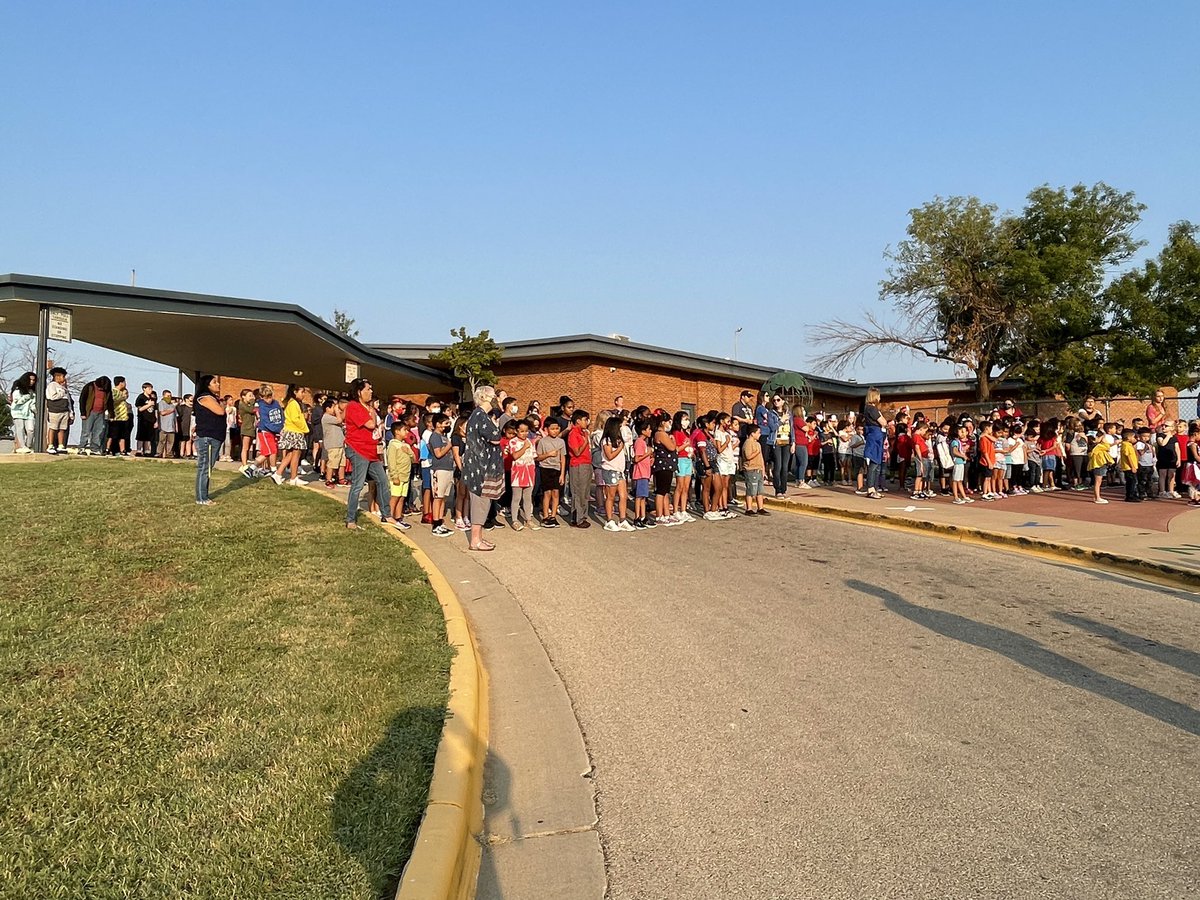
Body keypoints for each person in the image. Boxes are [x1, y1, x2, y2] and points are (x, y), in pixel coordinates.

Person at [343, 379, 402, 531]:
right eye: (368, 389)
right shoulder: (354, 406)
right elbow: (370, 424)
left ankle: (386, 514)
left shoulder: (369, 407)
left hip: (372, 451)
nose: (371, 392)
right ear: (359, 392)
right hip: (358, 449)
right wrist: (371, 411)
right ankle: (350, 519)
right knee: (357, 485)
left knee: (383, 481)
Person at [461, 385, 505, 550]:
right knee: (480, 503)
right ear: (484, 397)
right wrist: (495, 425)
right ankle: (475, 541)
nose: (496, 399)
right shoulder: (480, 415)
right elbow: (495, 437)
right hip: (481, 468)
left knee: (484, 503)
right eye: (494, 396)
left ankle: (479, 538)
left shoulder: (480, 415)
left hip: (483, 466)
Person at [192, 375, 227, 506]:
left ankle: (203, 495)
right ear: (207, 385)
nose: (218, 384)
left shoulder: (213, 398)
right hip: (208, 437)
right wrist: (222, 404)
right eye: (214, 382)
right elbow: (220, 411)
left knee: (207, 468)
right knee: (204, 468)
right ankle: (202, 498)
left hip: (214, 437)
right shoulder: (205, 397)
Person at [271, 384, 309, 485]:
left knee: (291, 454)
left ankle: (281, 474)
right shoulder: (293, 403)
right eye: (302, 392)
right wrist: (305, 428)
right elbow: (295, 419)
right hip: (294, 431)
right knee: (295, 455)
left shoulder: (291, 402)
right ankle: (292, 477)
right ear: (295, 392)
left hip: (292, 430)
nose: (303, 394)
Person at [599, 416, 632, 531]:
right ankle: (609, 520)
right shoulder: (606, 440)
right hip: (610, 470)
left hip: (620, 471)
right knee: (611, 496)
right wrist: (619, 448)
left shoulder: (619, 439)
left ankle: (622, 520)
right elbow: (609, 456)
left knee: (623, 496)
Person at [242, 385, 283, 477]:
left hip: (274, 431)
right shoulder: (261, 406)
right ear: (261, 397)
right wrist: (276, 429)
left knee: (267, 452)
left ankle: (251, 469)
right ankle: (273, 470)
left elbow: (281, 415)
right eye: (266, 397)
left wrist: (281, 426)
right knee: (272, 450)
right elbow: (265, 421)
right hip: (265, 431)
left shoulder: (276, 403)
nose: (269, 399)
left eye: (270, 396)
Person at [535, 417, 566, 529]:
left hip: (557, 469)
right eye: (552, 429)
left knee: (556, 493)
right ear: (547, 429)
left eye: (557, 429)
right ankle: (545, 516)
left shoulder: (561, 442)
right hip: (545, 469)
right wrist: (548, 454)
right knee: (547, 493)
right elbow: (538, 457)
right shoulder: (542, 442)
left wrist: (562, 474)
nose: (555, 431)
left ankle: (553, 516)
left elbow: (563, 458)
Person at [506, 419, 537, 531]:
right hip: (518, 473)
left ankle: (528, 519)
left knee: (528, 498)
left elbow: (534, 456)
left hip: (529, 472)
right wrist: (524, 447)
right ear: (516, 431)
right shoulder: (513, 442)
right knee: (516, 498)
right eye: (522, 431)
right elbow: (515, 456)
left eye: (526, 431)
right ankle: (515, 520)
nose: (524, 433)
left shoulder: (530, 441)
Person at [427, 413, 455, 536]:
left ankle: (440, 520)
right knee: (438, 497)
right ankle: (436, 524)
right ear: (438, 424)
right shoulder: (435, 437)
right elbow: (438, 454)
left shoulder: (443, 436)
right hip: (439, 469)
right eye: (446, 423)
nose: (448, 425)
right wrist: (449, 446)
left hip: (448, 468)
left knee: (443, 497)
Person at [565, 409, 593, 528]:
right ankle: (578, 518)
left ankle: (582, 516)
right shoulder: (573, 434)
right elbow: (576, 452)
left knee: (585, 492)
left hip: (586, 463)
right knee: (578, 492)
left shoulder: (583, 433)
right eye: (585, 420)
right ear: (578, 421)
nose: (587, 422)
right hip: (578, 465)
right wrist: (585, 442)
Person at [385, 421, 415, 530]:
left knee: (402, 498)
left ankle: (398, 518)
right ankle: (389, 516)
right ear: (397, 432)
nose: (407, 432)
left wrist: (409, 452)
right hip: (397, 476)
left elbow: (414, 459)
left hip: (405, 476)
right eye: (404, 430)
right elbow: (391, 462)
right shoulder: (393, 445)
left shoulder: (406, 445)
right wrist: (394, 476)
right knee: (395, 497)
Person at [861, 387, 887, 500]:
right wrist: (882, 419)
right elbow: (883, 422)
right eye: (878, 396)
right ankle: (871, 488)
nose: (880, 398)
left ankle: (874, 488)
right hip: (875, 435)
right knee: (874, 463)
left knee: (877, 464)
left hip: (876, 435)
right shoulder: (871, 409)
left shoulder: (869, 408)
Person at [76, 375, 114, 456]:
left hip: (101, 413)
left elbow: (110, 402)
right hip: (89, 412)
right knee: (86, 431)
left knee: (98, 432)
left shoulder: (107, 390)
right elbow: (82, 399)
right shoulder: (89, 386)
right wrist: (83, 413)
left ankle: (95, 449)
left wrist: (112, 415)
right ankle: (82, 447)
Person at [630, 417, 655, 529]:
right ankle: (637, 518)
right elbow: (636, 458)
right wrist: (647, 454)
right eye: (648, 429)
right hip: (640, 473)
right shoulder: (639, 442)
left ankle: (643, 516)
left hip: (645, 473)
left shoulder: (644, 442)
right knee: (639, 497)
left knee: (644, 497)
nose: (650, 431)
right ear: (643, 430)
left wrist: (650, 459)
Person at [44, 367, 73, 455]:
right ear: (57, 376)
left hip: (64, 411)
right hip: (55, 411)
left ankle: (61, 445)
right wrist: (62, 393)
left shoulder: (64, 388)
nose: (64, 378)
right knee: (53, 428)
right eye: (62, 376)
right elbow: (52, 397)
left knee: (62, 428)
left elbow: (68, 401)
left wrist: (71, 413)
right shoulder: (52, 385)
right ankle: (50, 445)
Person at [740, 423, 768, 515]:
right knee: (751, 490)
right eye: (758, 433)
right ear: (752, 433)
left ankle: (760, 507)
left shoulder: (758, 444)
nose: (760, 434)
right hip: (751, 469)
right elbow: (748, 456)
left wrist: (763, 469)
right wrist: (756, 452)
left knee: (760, 490)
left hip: (758, 468)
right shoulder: (748, 443)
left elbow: (761, 458)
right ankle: (749, 508)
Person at [321, 398, 347, 487]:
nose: (335, 409)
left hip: (339, 443)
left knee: (342, 463)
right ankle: (328, 479)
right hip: (333, 444)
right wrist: (337, 410)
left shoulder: (333, 417)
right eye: (333, 407)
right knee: (332, 463)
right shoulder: (326, 417)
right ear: (327, 408)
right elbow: (339, 420)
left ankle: (341, 479)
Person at [9, 372, 37, 453]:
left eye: (33, 380)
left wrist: (35, 410)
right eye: (30, 380)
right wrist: (26, 397)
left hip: (29, 414)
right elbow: (17, 402)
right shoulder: (17, 390)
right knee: (20, 429)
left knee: (30, 430)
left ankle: (28, 446)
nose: (32, 382)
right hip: (18, 412)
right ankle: (22, 446)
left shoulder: (32, 391)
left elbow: (32, 403)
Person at [105, 377, 132, 456]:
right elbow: (113, 401)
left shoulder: (122, 392)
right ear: (121, 383)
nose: (125, 384)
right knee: (112, 434)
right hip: (115, 417)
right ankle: (107, 448)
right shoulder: (114, 391)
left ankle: (122, 450)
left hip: (123, 417)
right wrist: (122, 397)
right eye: (124, 382)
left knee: (123, 435)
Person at [135, 383, 158, 456]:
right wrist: (148, 405)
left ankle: (147, 451)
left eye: (151, 389)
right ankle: (139, 450)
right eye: (149, 389)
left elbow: (155, 410)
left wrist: (156, 420)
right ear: (144, 389)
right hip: (143, 420)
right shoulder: (141, 397)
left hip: (151, 420)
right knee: (141, 435)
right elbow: (140, 409)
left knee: (149, 436)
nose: (150, 390)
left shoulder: (152, 398)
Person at [237, 388, 257, 466]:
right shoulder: (241, 404)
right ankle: (244, 465)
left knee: (248, 447)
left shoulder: (249, 405)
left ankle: (246, 462)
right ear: (243, 396)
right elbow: (251, 410)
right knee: (245, 447)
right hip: (246, 428)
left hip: (251, 428)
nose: (252, 397)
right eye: (250, 396)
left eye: (252, 396)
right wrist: (252, 402)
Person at [157, 390, 177, 458]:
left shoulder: (172, 404)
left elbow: (175, 416)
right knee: (162, 440)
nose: (169, 397)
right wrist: (171, 410)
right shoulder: (161, 403)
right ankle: (159, 453)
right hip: (164, 426)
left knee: (170, 441)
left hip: (171, 426)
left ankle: (169, 453)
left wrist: (176, 426)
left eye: (170, 396)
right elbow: (162, 413)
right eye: (167, 396)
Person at [176, 394, 194, 459]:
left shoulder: (194, 408)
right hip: (183, 426)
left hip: (191, 426)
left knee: (189, 440)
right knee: (183, 440)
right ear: (186, 399)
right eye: (191, 398)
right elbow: (178, 415)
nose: (192, 400)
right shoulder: (182, 407)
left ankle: (188, 454)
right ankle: (181, 454)